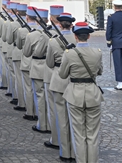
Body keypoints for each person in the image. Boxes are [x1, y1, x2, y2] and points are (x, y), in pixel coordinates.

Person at [59, 22, 104, 163]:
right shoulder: (97, 53)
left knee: (79, 134)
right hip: (92, 94)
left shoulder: (69, 54)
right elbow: (100, 71)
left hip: (75, 94)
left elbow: (62, 74)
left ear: (75, 37)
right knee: (92, 135)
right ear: (89, 36)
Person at [45, 12, 75, 159]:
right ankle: (76, 151)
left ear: (59, 24)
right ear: (71, 25)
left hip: (58, 79)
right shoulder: (77, 38)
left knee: (61, 117)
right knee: (76, 119)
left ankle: (64, 151)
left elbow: (49, 63)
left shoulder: (53, 41)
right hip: (74, 78)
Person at [105, 0, 122, 90]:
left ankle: (120, 83)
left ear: (114, 7)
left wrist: (108, 41)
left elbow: (109, 31)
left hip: (116, 42)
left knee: (118, 62)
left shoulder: (111, 17)